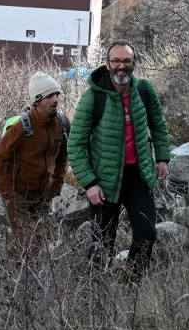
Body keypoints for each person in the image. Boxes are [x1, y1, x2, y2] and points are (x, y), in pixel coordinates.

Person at [67, 41, 171, 275]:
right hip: (104, 181)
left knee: (147, 234)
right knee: (101, 245)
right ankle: (94, 295)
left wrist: (162, 157)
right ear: (107, 64)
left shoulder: (144, 90)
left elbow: (158, 125)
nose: (121, 66)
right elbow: (75, 145)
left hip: (138, 177)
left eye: (126, 61)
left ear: (134, 64)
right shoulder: (93, 98)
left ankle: (131, 286)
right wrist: (90, 183)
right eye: (116, 61)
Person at [0, 72, 70, 242]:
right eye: (49, 96)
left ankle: (15, 264)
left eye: (57, 94)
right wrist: (8, 194)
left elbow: (63, 156)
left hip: (44, 196)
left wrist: (56, 185)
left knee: (41, 243)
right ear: (37, 100)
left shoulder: (62, 123)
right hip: (19, 196)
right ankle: (10, 267)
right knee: (27, 243)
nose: (56, 99)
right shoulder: (21, 126)